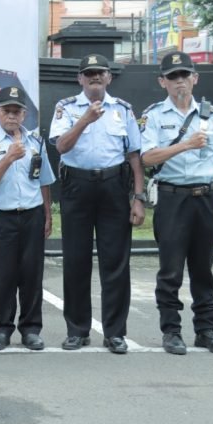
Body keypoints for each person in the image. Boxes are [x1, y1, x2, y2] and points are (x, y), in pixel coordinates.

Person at [49, 54, 146, 354]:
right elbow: (61, 146)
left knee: (115, 262)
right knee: (76, 260)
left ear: (109, 78)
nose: (94, 78)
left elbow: (134, 156)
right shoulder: (65, 108)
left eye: (99, 73)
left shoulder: (123, 110)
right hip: (77, 186)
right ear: (79, 79)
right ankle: (77, 330)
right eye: (88, 73)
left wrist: (138, 197)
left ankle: (115, 332)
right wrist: (84, 120)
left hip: (113, 186)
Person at [140, 51, 213, 356]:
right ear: (162, 82)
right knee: (170, 270)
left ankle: (207, 330)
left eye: (185, 75)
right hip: (172, 198)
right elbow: (147, 157)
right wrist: (186, 144)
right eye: (173, 77)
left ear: (195, 78)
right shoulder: (154, 116)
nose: (179, 82)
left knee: (203, 269)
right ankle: (171, 331)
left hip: (207, 198)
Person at [0, 85, 55, 351]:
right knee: (3, 276)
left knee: (32, 275)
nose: (11, 116)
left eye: (16, 111)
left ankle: (31, 329)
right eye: (6, 111)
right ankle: (2, 329)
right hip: (3, 217)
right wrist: (8, 158)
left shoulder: (36, 141)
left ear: (24, 114)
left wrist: (47, 214)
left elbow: (44, 180)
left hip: (32, 215)